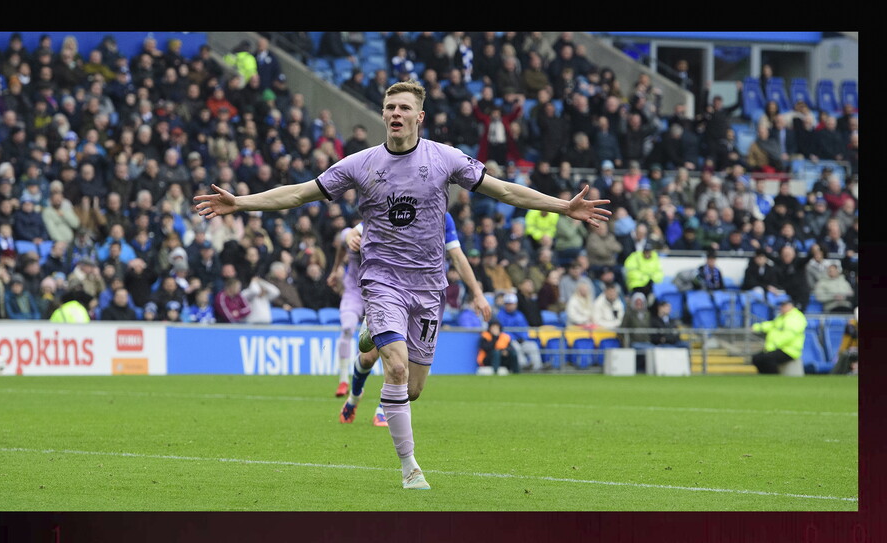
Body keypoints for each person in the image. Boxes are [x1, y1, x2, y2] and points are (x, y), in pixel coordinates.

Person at [193, 79, 610, 491]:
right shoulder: (360, 164)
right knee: (393, 366)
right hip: (382, 280)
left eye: (404, 108)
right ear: (383, 115)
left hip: (429, 288)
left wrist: (562, 206)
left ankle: (371, 333)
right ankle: (411, 469)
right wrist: (242, 202)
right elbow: (301, 193)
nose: (396, 114)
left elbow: (503, 190)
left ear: (419, 117)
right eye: (390, 108)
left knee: (411, 388)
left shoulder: (444, 159)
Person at [335, 215, 492, 422]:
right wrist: (351, 239)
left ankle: (383, 406)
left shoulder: (443, 218)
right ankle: (355, 398)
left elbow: (457, 256)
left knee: (412, 386)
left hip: (425, 296)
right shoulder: (398, 205)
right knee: (368, 358)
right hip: (391, 291)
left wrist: (477, 293)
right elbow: (355, 232)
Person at [751, 296, 806, 374]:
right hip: (779, 348)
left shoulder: (795, 317)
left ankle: (774, 378)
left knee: (768, 359)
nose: (781, 307)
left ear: (790, 305)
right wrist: (757, 327)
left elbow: (789, 335)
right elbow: (772, 325)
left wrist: (774, 345)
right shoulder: (782, 317)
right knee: (756, 358)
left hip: (789, 350)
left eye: (784, 305)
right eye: (781, 305)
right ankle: (765, 377)